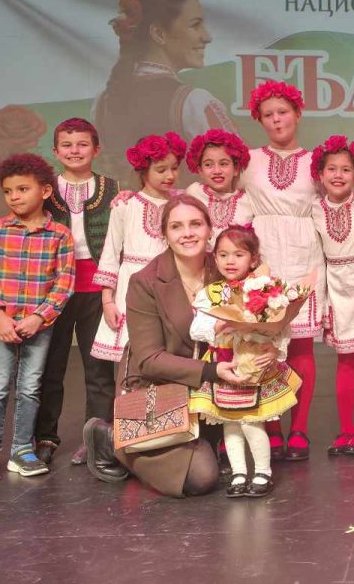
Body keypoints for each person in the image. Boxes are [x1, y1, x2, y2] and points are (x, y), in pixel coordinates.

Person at [81, 195, 252, 497]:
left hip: (210, 388)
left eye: (195, 224)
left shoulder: (225, 267)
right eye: (176, 227)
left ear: (209, 229)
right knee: (201, 478)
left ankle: (203, 438)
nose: (187, 233)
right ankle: (108, 438)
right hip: (159, 384)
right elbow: (149, 359)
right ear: (164, 234)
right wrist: (211, 370)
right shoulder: (145, 281)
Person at [0, 153, 75, 482]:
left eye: (22, 189)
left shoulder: (59, 235)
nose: (14, 197)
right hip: (1, 324)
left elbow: (63, 284)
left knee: (30, 388)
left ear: (45, 191)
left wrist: (38, 318)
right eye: (8, 191)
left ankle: (21, 450)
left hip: (38, 326)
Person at [238, 80, 324, 460]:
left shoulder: (316, 161)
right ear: (260, 120)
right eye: (268, 115)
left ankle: (300, 428)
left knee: (301, 345)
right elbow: (217, 190)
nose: (276, 120)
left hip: (305, 254)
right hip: (265, 255)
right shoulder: (248, 160)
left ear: (298, 114)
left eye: (283, 112)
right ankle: (272, 427)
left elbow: (339, 196)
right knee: (266, 345)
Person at [189, 224, 303, 498]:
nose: (230, 261)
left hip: (254, 366)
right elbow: (196, 330)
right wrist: (218, 325)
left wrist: (274, 350)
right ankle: (239, 472)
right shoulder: (211, 293)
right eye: (223, 255)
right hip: (224, 366)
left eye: (238, 255)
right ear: (215, 258)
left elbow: (281, 328)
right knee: (230, 424)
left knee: (252, 422)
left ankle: (262, 472)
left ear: (253, 259)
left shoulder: (263, 291)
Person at [35, 118, 120, 467]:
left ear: (96, 149)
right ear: (55, 151)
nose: (75, 151)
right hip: (55, 289)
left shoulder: (111, 188)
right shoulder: (44, 189)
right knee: (50, 367)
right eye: (67, 145)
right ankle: (45, 438)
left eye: (82, 144)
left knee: (98, 369)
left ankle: (96, 439)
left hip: (96, 287)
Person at [93, 0, 236, 178]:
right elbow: (236, 170)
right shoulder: (193, 102)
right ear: (159, 34)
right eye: (195, 25)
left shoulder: (104, 101)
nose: (207, 36)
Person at [309, 136, 354, 456]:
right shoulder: (314, 208)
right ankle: (345, 429)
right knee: (344, 359)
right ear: (320, 173)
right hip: (336, 283)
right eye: (331, 169)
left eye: (346, 170)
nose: (338, 175)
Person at [90, 133, 186, 364]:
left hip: (171, 284)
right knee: (132, 357)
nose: (170, 175)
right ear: (143, 171)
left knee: (170, 355)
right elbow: (110, 255)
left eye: (174, 168)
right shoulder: (125, 205)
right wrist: (108, 301)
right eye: (161, 170)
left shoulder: (182, 204)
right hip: (132, 286)